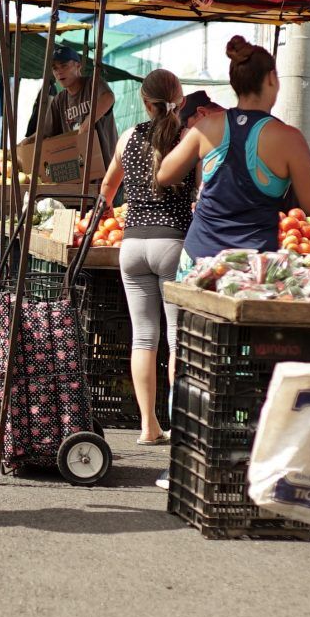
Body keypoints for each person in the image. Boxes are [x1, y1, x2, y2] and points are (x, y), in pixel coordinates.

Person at [158, 36, 310, 271]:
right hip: (249, 271)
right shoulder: (289, 139)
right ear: (271, 79)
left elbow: (165, 175)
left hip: (198, 263)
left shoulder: (206, 127)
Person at [99, 68, 194, 449]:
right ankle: (182, 426)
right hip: (173, 242)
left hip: (132, 244)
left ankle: (147, 425)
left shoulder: (127, 137)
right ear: (180, 100)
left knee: (144, 338)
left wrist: (106, 212)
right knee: (177, 339)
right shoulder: (187, 140)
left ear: (143, 101)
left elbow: (108, 187)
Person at [37, 45, 117, 165]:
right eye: (55, 68)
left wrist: (86, 125)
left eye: (64, 65)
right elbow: (46, 132)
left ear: (78, 65)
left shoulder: (93, 84)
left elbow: (108, 97)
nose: (59, 71)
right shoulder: (59, 100)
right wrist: (28, 141)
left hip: (106, 166)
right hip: (78, 168)